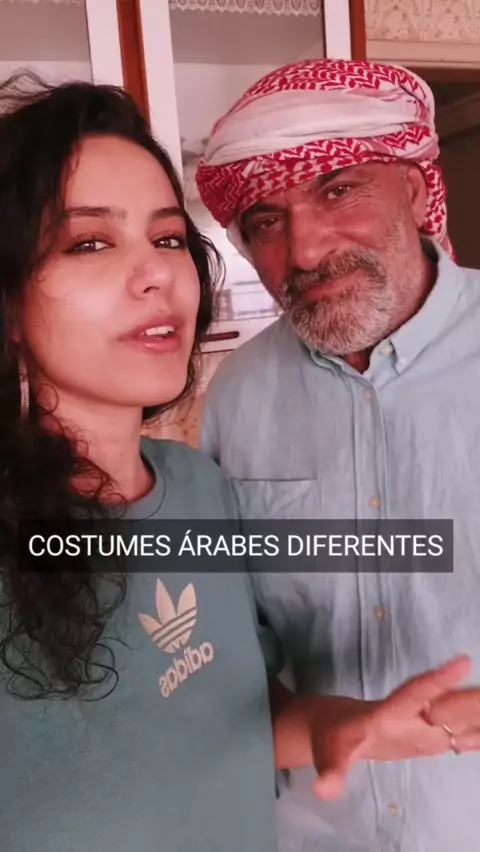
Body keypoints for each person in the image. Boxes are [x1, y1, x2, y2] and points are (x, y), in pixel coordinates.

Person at [196, 59, 480, 851]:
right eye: (265, 220)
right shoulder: (239, 395)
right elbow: (234, 646)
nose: (306, 248)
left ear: (415, 191)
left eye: (337, 191)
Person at [0, 73, 281, 852]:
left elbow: (208, 726)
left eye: (168, 238)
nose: (158, 272)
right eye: (89, 243)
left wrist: (345, 728)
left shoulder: (201, 488)